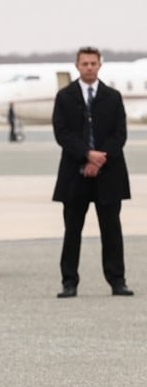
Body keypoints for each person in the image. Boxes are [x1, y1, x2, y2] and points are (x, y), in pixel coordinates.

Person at [52, 46, 133, 298]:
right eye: (84, 63)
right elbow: (62, 133)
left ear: (100, 65)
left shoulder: (113, 96)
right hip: (74, 175)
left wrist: (98, 159)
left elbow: (119, 134)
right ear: (77, 66)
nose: (89, 67)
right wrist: (87, 155)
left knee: (112, 231)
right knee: (72, 230)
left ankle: (117, 281)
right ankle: (69, 282)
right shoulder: (65, 96)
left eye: (93, 63)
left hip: (109, 174)